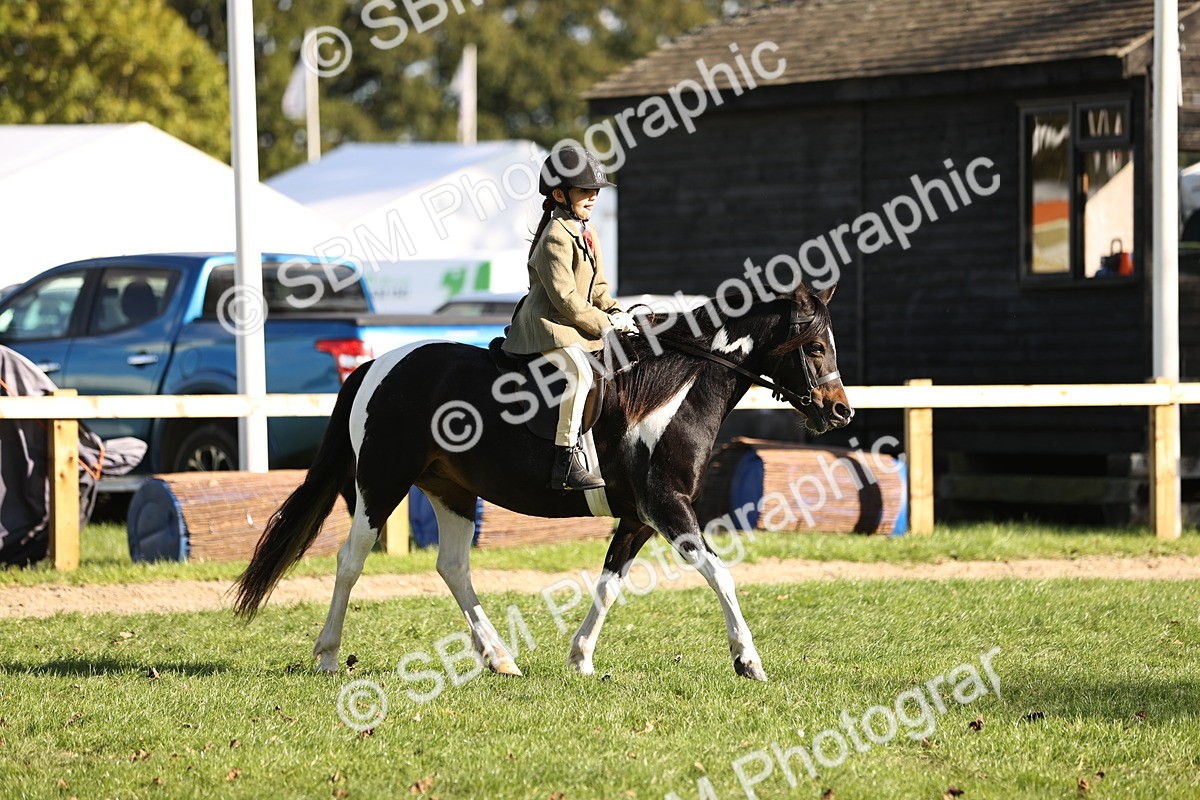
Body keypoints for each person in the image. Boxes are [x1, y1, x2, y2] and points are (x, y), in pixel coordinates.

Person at [503, 147, 638, 490]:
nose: (593, 197)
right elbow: (566, 300)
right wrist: (605, 325)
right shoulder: (554, 237)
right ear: (560, 195)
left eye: (595, 191)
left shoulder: (587, 233)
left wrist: (618, 313)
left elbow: (599, 289)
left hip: (574, 328)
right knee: (580, 374)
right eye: (584, 190)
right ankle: (565, 460)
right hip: (547, 328)